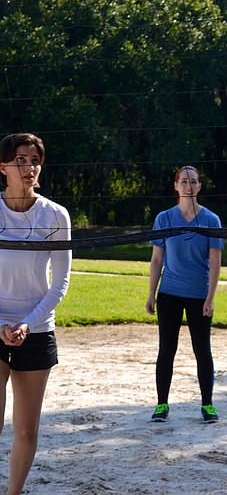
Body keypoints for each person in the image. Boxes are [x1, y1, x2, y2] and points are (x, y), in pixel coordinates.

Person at [0, 133, 71, 495]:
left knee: (26, 430)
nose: (29, 167)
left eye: (34, 160)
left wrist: (27, 323)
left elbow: (60, 284)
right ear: (3, 168)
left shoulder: (56, 215)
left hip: (36, 327)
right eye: (20, 160)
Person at [146, 165, 224, 424]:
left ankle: (207, 405)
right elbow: (157, 260)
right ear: (176, 186)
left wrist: (210, 298)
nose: (188, 186)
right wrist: (151, 294)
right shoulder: (164, 219)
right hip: (169, 293)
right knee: (166, 350)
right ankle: (161, 405)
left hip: (198, 295)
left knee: (202, 350)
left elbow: (215, 263)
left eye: (193, 182)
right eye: (183, 181)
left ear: (200, 186)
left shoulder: (211, 220)